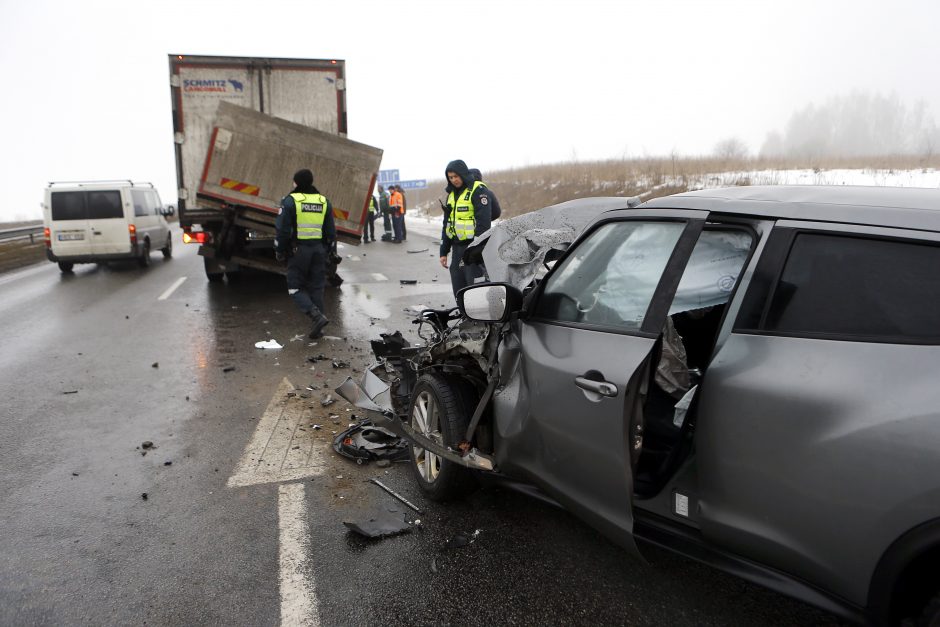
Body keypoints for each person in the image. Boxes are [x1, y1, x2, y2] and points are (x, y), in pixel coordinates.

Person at [274, 168, 334, 339]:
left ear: (297, 182)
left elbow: (283, 230)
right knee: (316, 288)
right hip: (319, 251)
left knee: (295, 288)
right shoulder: (324, 201)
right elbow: (331, 232)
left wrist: (280, 250)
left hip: (299, 251)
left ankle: (316, 316)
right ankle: (319, 328)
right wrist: (327, 251)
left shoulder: (291, 201)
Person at [440, 159, 497, 296]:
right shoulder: (451, 196)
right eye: (450, 177)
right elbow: (448, 224)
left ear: (463, 174)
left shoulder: (477, 190)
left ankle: (480, 316)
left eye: (456, 176)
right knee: (459, 287)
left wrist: (476, 249)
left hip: (473, 249)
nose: (454, 180)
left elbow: (483, 224)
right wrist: (443, 251)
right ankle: (464, 315)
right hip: (457, 249)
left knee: (476, 288)